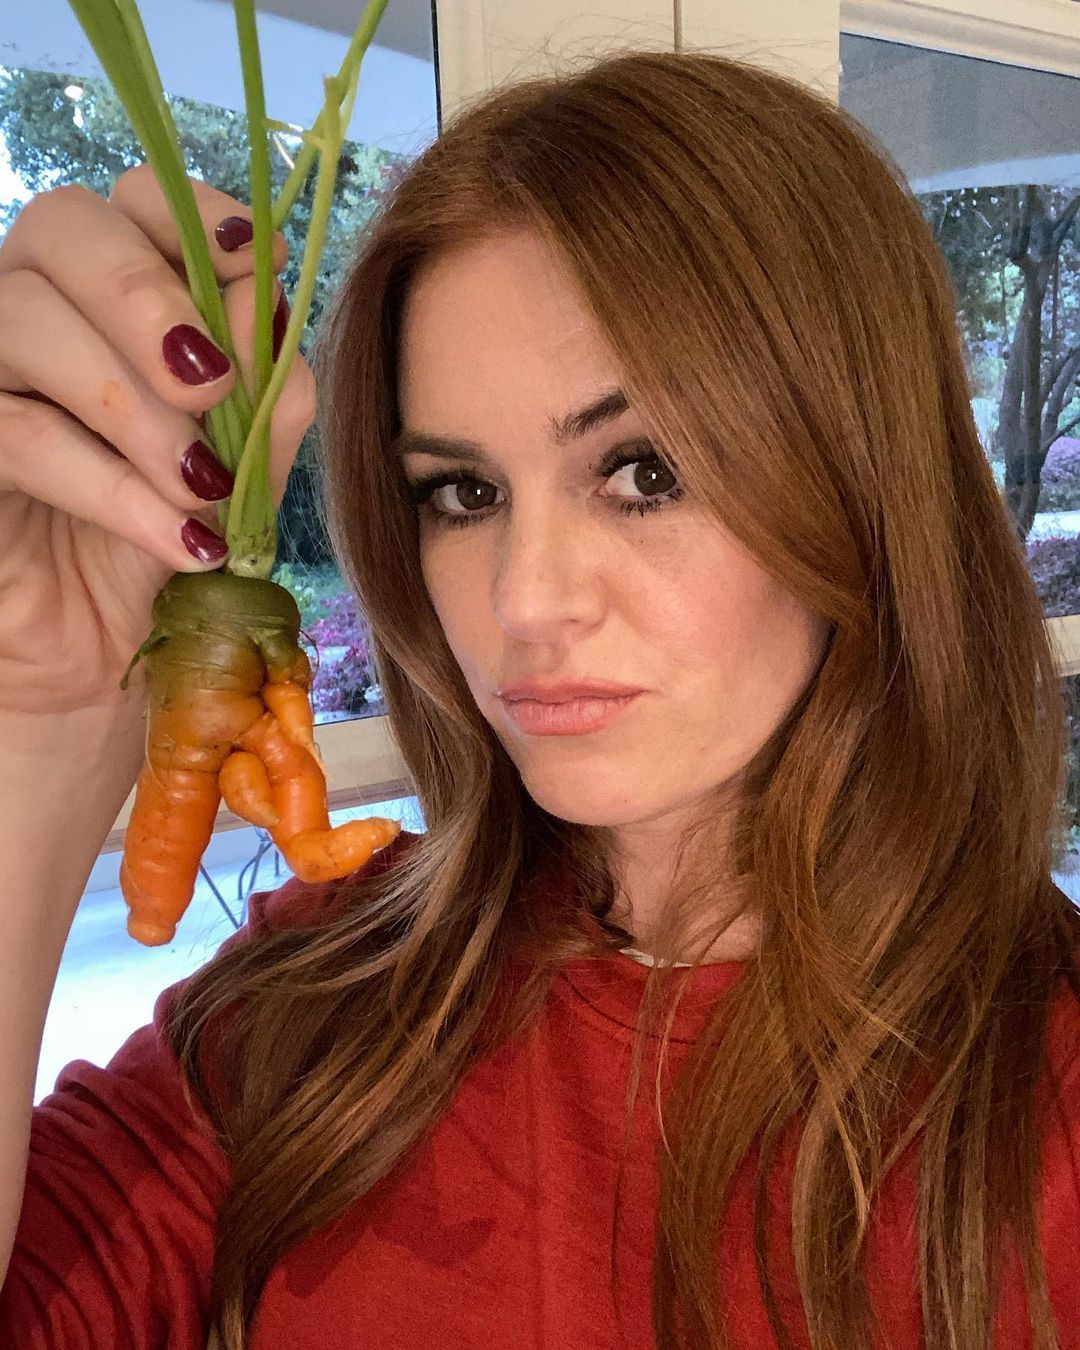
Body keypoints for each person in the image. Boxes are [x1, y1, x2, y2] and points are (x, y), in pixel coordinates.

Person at [0, 44, 1078, 1350]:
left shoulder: (1045, 1098)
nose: (523, 598)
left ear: (862, 480)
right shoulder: (318, 1007)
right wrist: (35, 722)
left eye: (644, 472)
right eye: (463, 493)